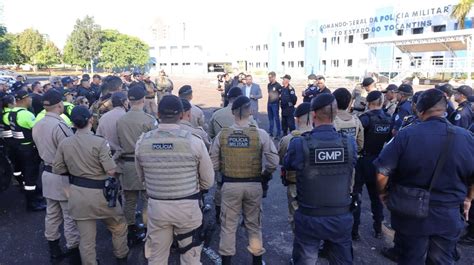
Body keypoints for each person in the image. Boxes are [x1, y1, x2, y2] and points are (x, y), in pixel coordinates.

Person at [374, 88, 474, 264]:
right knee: (442, 260)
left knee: (411, 257)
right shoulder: (466, 137)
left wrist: (382, 194)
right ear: (444, 109)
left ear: (420, 110)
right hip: (448, 213)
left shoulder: (407, 134)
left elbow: (382, 171)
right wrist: (468, 198)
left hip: (411, 213)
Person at [135, 95, 214, 265]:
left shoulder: (142, 142)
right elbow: (208, 181)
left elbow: (142, 179)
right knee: (191, 258)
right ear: (182, 115)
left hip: (157, 208)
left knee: (156, 257)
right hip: (187, 209)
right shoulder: (194, 142)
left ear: (158, 113)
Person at [284, 93, 357, 264]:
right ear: (335, 114)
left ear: (314, 115)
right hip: (341, 217)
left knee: (306, 259)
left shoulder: (299, 144)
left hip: (310, 218)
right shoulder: (349, 143)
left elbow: (288, 163)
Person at [53, 105, 129, 265]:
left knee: (86, 240)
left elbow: (58, 168)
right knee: (119, 226)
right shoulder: (100, 142)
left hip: (78, 196)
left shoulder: (65, 143)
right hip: (102, 196)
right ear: (91, 120)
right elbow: (110, 171)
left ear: (73, 123)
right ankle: (121, 257)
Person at [210, 95, 279, 265]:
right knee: (254, 225)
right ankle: (257, 260)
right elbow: (273, 162)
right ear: (250, 111)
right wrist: (264, 175)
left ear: (233, 112)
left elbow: (212, 162)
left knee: (228, 226)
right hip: (254, 184)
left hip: (230, 184)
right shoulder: (260, 134)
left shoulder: (222, 135)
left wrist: (223, 172)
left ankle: (226, 261)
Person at [32, 89, 81, 263]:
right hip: (62, 175)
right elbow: (70, 151)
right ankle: (74, 250)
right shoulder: (59, 125)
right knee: (69, 215)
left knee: (52, 213)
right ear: (59, 105)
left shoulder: (38, 124)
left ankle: (53, 247)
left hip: (46, 172)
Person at [116, 86, 158, 246]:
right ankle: (148, 230)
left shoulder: (121, 120)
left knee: (130, 200)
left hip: (127, 163)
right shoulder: (149, 119)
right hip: (145, 164)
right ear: (143, 100)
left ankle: (131, 230)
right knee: (147, 199)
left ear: (129, 100)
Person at [351, 91, 392, 241]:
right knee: (376, 196)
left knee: (356, 195)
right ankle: (378, 228)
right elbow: (389, 139)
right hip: (378, 160)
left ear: (367, 102)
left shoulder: (365, 119)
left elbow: (356, 138)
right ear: (381, 102)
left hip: (362, 161)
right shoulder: (388, 118)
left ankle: (354, 230)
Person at [9, 90, 46, 211]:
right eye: (29, 98)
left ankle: (34, 196)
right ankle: (31, 203)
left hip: (18, 147)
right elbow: (38, 129)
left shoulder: (11, 113)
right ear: (24, 99)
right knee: (31, 176)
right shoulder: (26, 114)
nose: (31, 100)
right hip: (28, 149)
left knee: (26, 174)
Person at [278, 102, 313, 231]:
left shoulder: (288, 140)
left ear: (297, 119)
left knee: (296, 219)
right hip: (319, 185)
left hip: (295, 185)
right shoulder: (321, 137)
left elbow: (282, 160)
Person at [96, 91, 128, 155]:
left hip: (108, 155)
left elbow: (98, 137)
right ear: (125, 102)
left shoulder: (104, 117)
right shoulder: (127, 117)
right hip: (125, 156)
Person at [333, 87, 364, 153]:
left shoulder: (330, 121)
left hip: (335, 157)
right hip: (351, 156)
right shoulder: (356, 120)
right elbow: (360, 144)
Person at [267, 71, 282, 138]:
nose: (269, 79)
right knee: (270, 119)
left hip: (275, 104)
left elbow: (281, 94)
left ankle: (278, 133)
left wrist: (277, 100)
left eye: (271, 77)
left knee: (276, 119)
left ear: (274, 77)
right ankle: (271, 132)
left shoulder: (278, 85)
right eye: (269, 77)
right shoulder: (269, 85)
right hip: (269, 103)